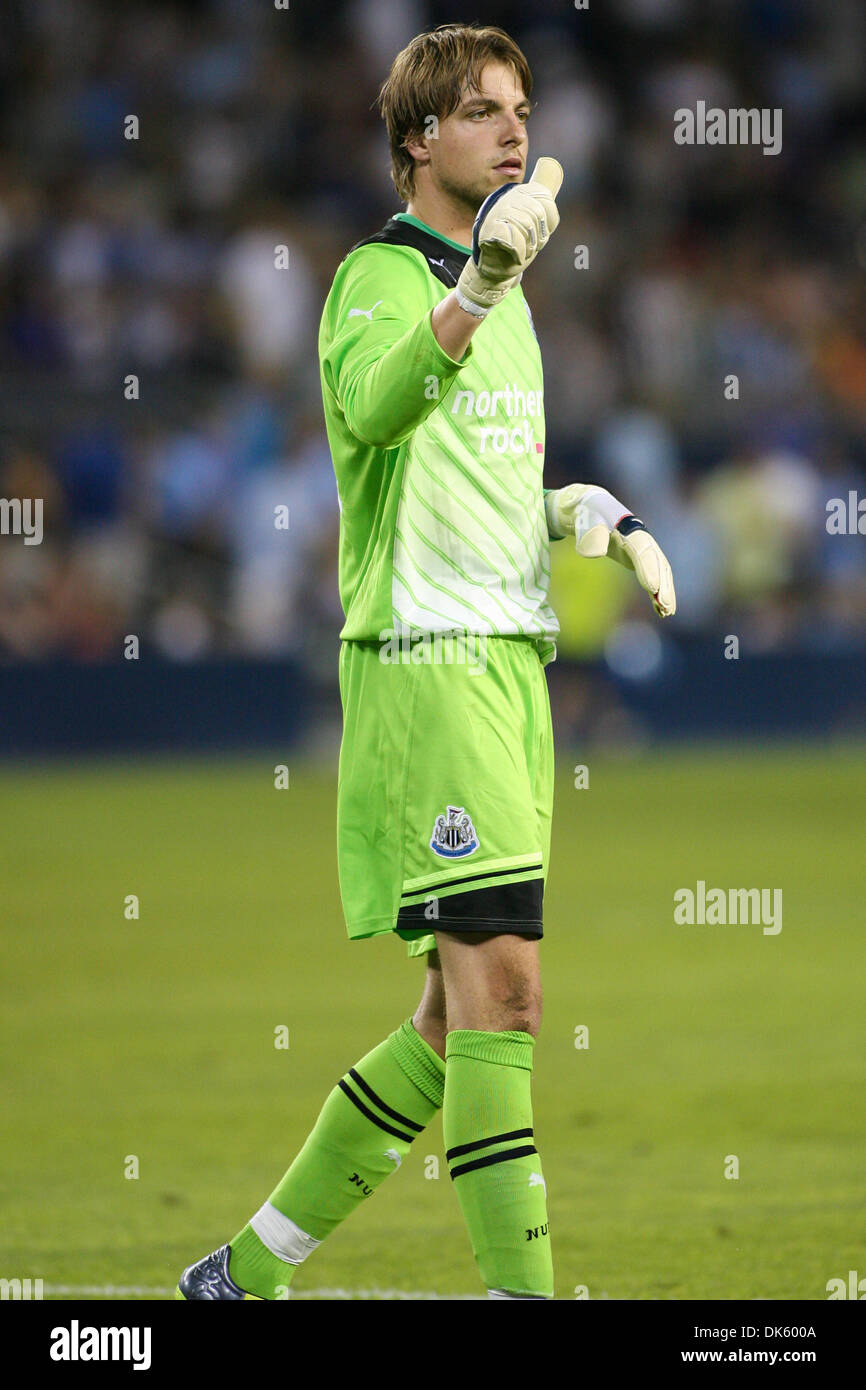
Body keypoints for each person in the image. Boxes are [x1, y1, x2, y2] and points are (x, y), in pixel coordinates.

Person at [177, 21, 674, 1302]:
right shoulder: (376, 277)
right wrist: (477, 291)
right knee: (506, 991)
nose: (516, 131)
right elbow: (377, 407)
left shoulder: (509, 295)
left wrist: (587, 515)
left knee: (453, 1021)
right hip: (426, 664)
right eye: (483, 111)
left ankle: (244, 1270)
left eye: (521, 108)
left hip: (510, 673)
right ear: (419, 141)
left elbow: (484, 480)